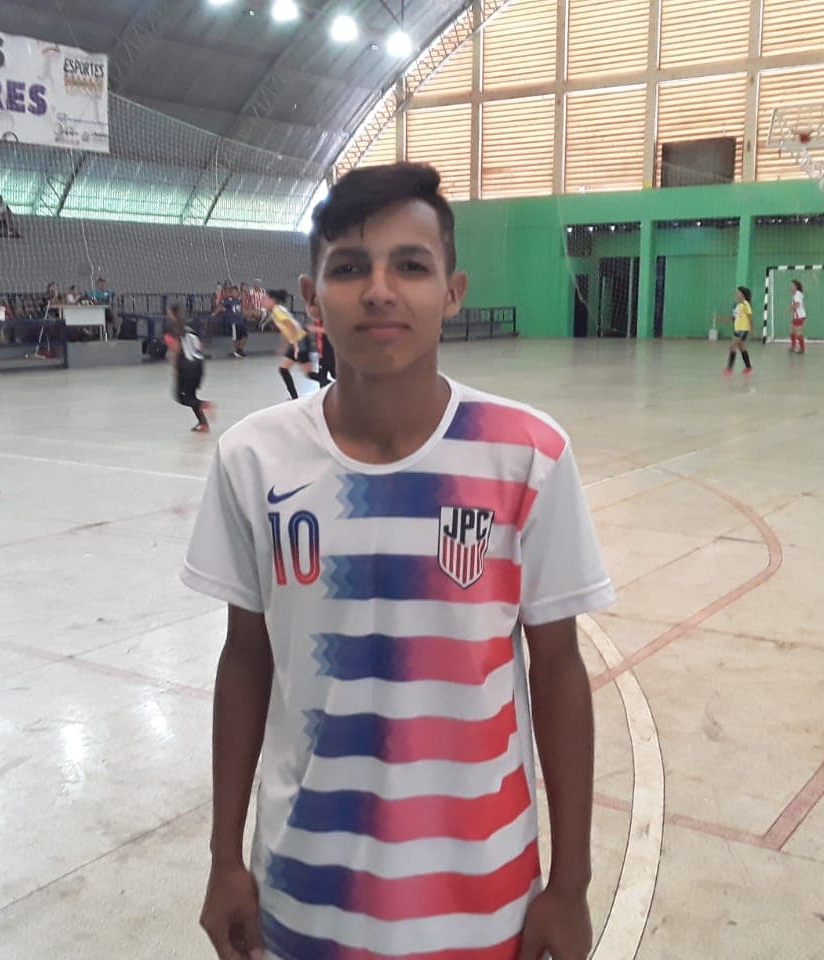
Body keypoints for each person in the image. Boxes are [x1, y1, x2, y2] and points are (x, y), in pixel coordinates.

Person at [183, 162, 614, 960]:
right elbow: (246, 658)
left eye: (410, 266)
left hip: (485, 902)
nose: (379, 291)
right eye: (350, 268)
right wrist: (222, 859)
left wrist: (571, 884)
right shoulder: (253, 458)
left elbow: (558, 669)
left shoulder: (527, 454)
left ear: (453, 291)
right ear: (312, 298)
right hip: (305, 896)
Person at [164, 303, 214, 432]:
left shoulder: (170, 328)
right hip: (198, 364)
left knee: (180, 397)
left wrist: (175, 366)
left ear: (170, 313)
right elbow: (200, 345)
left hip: (186, 366)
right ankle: (203, 423)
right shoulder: (189, 328)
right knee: (191, 395)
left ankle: (204, 404)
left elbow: (175, 348)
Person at [267, 288, 313, 400]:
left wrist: (295, 345)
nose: (262, 301)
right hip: (299, 340)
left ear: (272, 300)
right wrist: (283, 347)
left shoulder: (277, 310)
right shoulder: (278, 310)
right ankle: (294, 398)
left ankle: (334, 386)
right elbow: (285, 330)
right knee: (284, 370)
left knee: (308, 373)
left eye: (265, 298)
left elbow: (291, 326)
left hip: (300, 341)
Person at [721, 285, 754, 376]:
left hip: (743, 329)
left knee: (732, 347)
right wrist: (720, 319)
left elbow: (750, 317)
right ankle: (748, 367)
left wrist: (752, 330)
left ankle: (729, 368)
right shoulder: (737, 305)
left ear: (743, 295)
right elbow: (733, 318)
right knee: (741, 347)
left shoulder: (746, 304)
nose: (736, 294)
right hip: (737, 329)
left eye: (738, 293)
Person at [215, 283, 246, 358]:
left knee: (245, 336)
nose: (235, 293)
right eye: (233, 292)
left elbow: (242, 307)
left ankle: (240, 349)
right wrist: (215, 313)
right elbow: (220, 306)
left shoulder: (239, 300)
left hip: (241, 321)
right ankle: (236, 351)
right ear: (231, 293)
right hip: (234, 322)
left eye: (236, 292)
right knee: (236, 338)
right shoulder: (229, 300)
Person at [788, 279, 807, 354]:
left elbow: (797, 304)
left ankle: (802, 349)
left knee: (798, 332)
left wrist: (790, 308)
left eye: (792, 285)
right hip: (797, 316)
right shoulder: (798, 294)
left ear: (796, 286)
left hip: (799, 316)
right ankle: (793, 346)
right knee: (792, 332)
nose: (790, 287)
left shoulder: (797, 294)